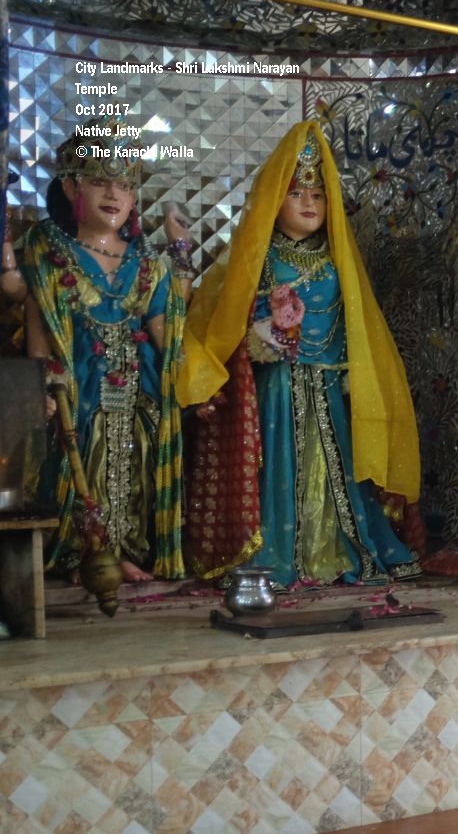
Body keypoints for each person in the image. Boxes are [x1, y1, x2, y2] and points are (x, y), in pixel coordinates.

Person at [179, 122, 421, 587]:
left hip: (329, 389)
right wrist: (260, 337)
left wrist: (354, 372)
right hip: (275, 390)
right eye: (296, 194)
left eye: (317, 195)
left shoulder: (338, 259)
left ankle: (343, 550)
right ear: (274, 200)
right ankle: (276, 554)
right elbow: (226, 324)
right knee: (280, 473)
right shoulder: (258, 257)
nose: (309, 203)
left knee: (340, 473)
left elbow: (356, 325)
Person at [16, 121, 192, 581]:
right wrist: (40, 385)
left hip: (137, 391)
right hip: (77, 388)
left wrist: (180, 253)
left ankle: (126, 550)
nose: (113, 194)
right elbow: (40, 323)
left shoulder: (146, 262)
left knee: (134, 469)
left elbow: (167, 330)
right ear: (71, 186)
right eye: (99, 181)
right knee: (81, 469)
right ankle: (84, 554)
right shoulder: (48, 251)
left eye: (125, 185)